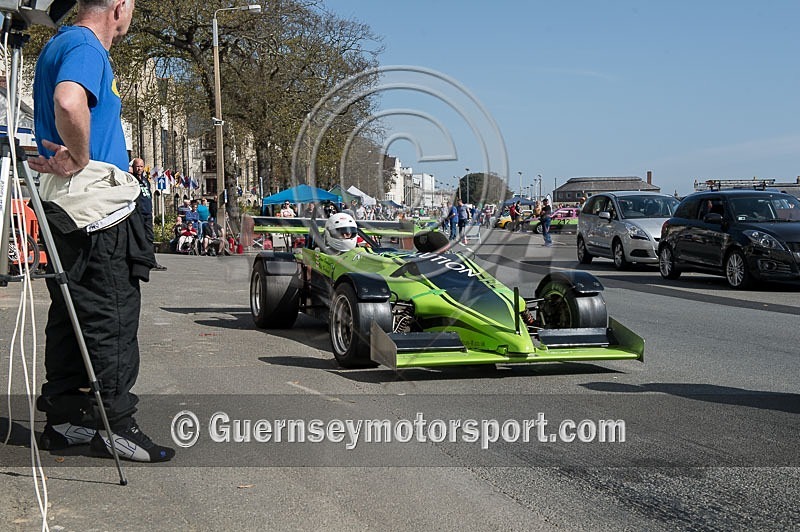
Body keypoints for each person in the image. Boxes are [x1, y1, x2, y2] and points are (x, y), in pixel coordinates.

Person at [28, 0, 174, 462]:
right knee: (110, 314)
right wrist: (82, 155)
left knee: (71, 314)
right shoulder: (86, 46)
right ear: (119, 5)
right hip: (98, 208)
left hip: (68, 204)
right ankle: (115, 424)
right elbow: (69, 100)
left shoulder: (59, 44)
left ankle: (66, 418)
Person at [131, 158, 167, 270]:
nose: (139, 168)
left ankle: (152, 261)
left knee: (149, 237)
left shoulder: (146, 180)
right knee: (139, 237)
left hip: (147, 212)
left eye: (141, 166)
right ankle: (139, 262)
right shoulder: (131, 179)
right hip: (138, 213)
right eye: (137, 166)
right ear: (133, 167)